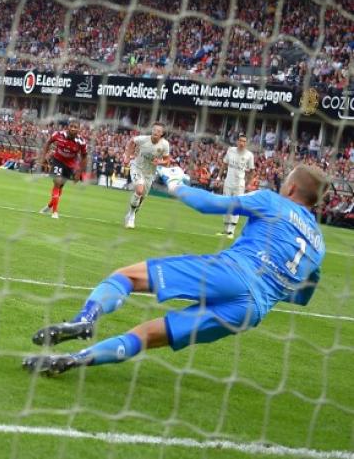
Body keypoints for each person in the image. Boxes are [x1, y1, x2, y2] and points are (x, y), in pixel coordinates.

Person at [23, 164, 327, 377]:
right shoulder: (318, 246)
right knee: (147, 335)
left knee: (128, 276)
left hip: (231, 272)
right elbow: (302, 297)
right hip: (252, 310)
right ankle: (74, 360)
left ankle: (84, 320)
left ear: (290, 187)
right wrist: (270, 285)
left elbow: (209, 204)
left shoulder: (273, 201)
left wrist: (174, 184)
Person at [123, 122, 171, 229]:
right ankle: (131, 216)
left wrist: (159, 162)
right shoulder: (143, 139)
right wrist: (127, 156)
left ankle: (132, 213)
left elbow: (167, 162)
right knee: (139, 190)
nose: (155, 132)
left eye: (158, 131)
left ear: (162, 134)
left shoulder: (165, 145)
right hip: (137, 168)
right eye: (154, 129)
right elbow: (131, 141)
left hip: (149, 174)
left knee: (141, 198)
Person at [38, 119, 88, 219]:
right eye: (71, 126)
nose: (73, 129)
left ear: (79, 130)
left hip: (70, 165)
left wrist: (79, 173)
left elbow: (84, 157)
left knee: (60, 187)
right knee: (57, 181)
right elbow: (48, 143)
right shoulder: (58, 134)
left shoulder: (81, 142)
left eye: (76, 127)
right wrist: (43, 157)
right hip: (57, 160)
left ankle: (49, 206)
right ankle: (55, 212)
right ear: (68, 127)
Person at [220, 133, 256, 238]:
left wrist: (249, 183)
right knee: (226, 205)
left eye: (244, 141)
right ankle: (226, 230)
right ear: (237, 141)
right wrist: (219, 177)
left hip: (239, 184)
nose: (242, 143)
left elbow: (252, 171)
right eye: (240, 141)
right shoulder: (231, 150)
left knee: (236, 207)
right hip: (228, 181)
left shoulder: (249, 155)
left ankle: (231, 231)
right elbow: (224, 164)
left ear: (246, 143)